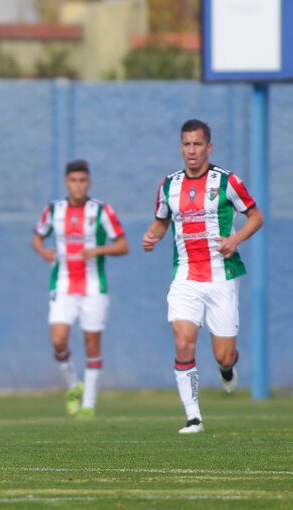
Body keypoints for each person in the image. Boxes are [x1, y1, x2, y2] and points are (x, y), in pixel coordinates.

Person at [143, 119, 263, 434]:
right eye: (187, 144)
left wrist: (235, 240)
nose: (192, 150)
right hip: (185, 275)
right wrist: (152, 236)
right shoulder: (168, 185)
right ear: (181, 147)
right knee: (183, 342)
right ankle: (193, 416)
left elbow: (256, 216)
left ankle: (227, 367)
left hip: (221, 275)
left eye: (198, 144)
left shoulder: (227, 182)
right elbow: (160, 221)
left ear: (208, 147)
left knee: (222, 355)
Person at [33, 160, 128, 418]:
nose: (78, 185)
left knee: (91, 343)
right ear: (66, 182)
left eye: (82, 180)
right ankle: (73, 385)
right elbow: (37, 237)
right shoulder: (54, 210)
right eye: (73, 180)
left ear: (89, 182)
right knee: (58, 340)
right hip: (63, 284)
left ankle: (88, 405)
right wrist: (43, 251)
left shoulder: (101, 211)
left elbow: (122, 245)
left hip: (94, 287)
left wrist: (99, 249)